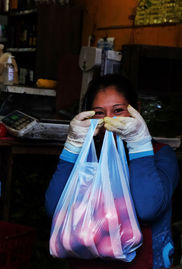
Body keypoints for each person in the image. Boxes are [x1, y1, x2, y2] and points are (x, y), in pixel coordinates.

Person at [45, 74, 179, 269]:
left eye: (118, 110)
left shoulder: (161, 156)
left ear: (137, 111)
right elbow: (54, 209)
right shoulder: (87, 161)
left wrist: (138, 144)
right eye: (99, 113)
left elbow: (147, 210)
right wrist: (72, 148)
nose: (109, 120)